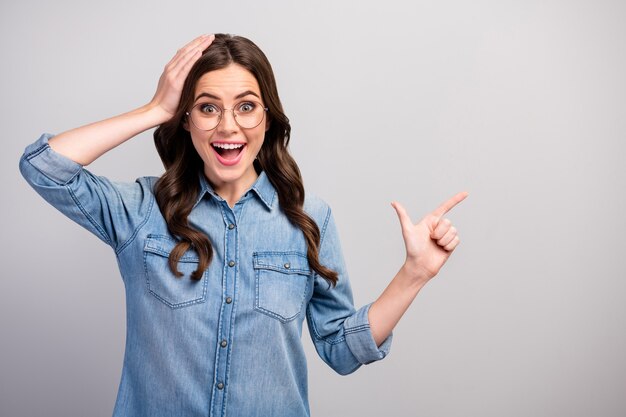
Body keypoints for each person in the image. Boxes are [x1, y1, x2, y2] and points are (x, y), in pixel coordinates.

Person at [19, 33, 468, 417]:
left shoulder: (311, 218)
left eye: (246, 106)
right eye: (208, 108)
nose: (228, 126)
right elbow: (44, 166)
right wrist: (155, 108)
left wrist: (414, 275)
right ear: (187, 119)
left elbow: (340, 349)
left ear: (267, 118)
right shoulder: (142, 209)